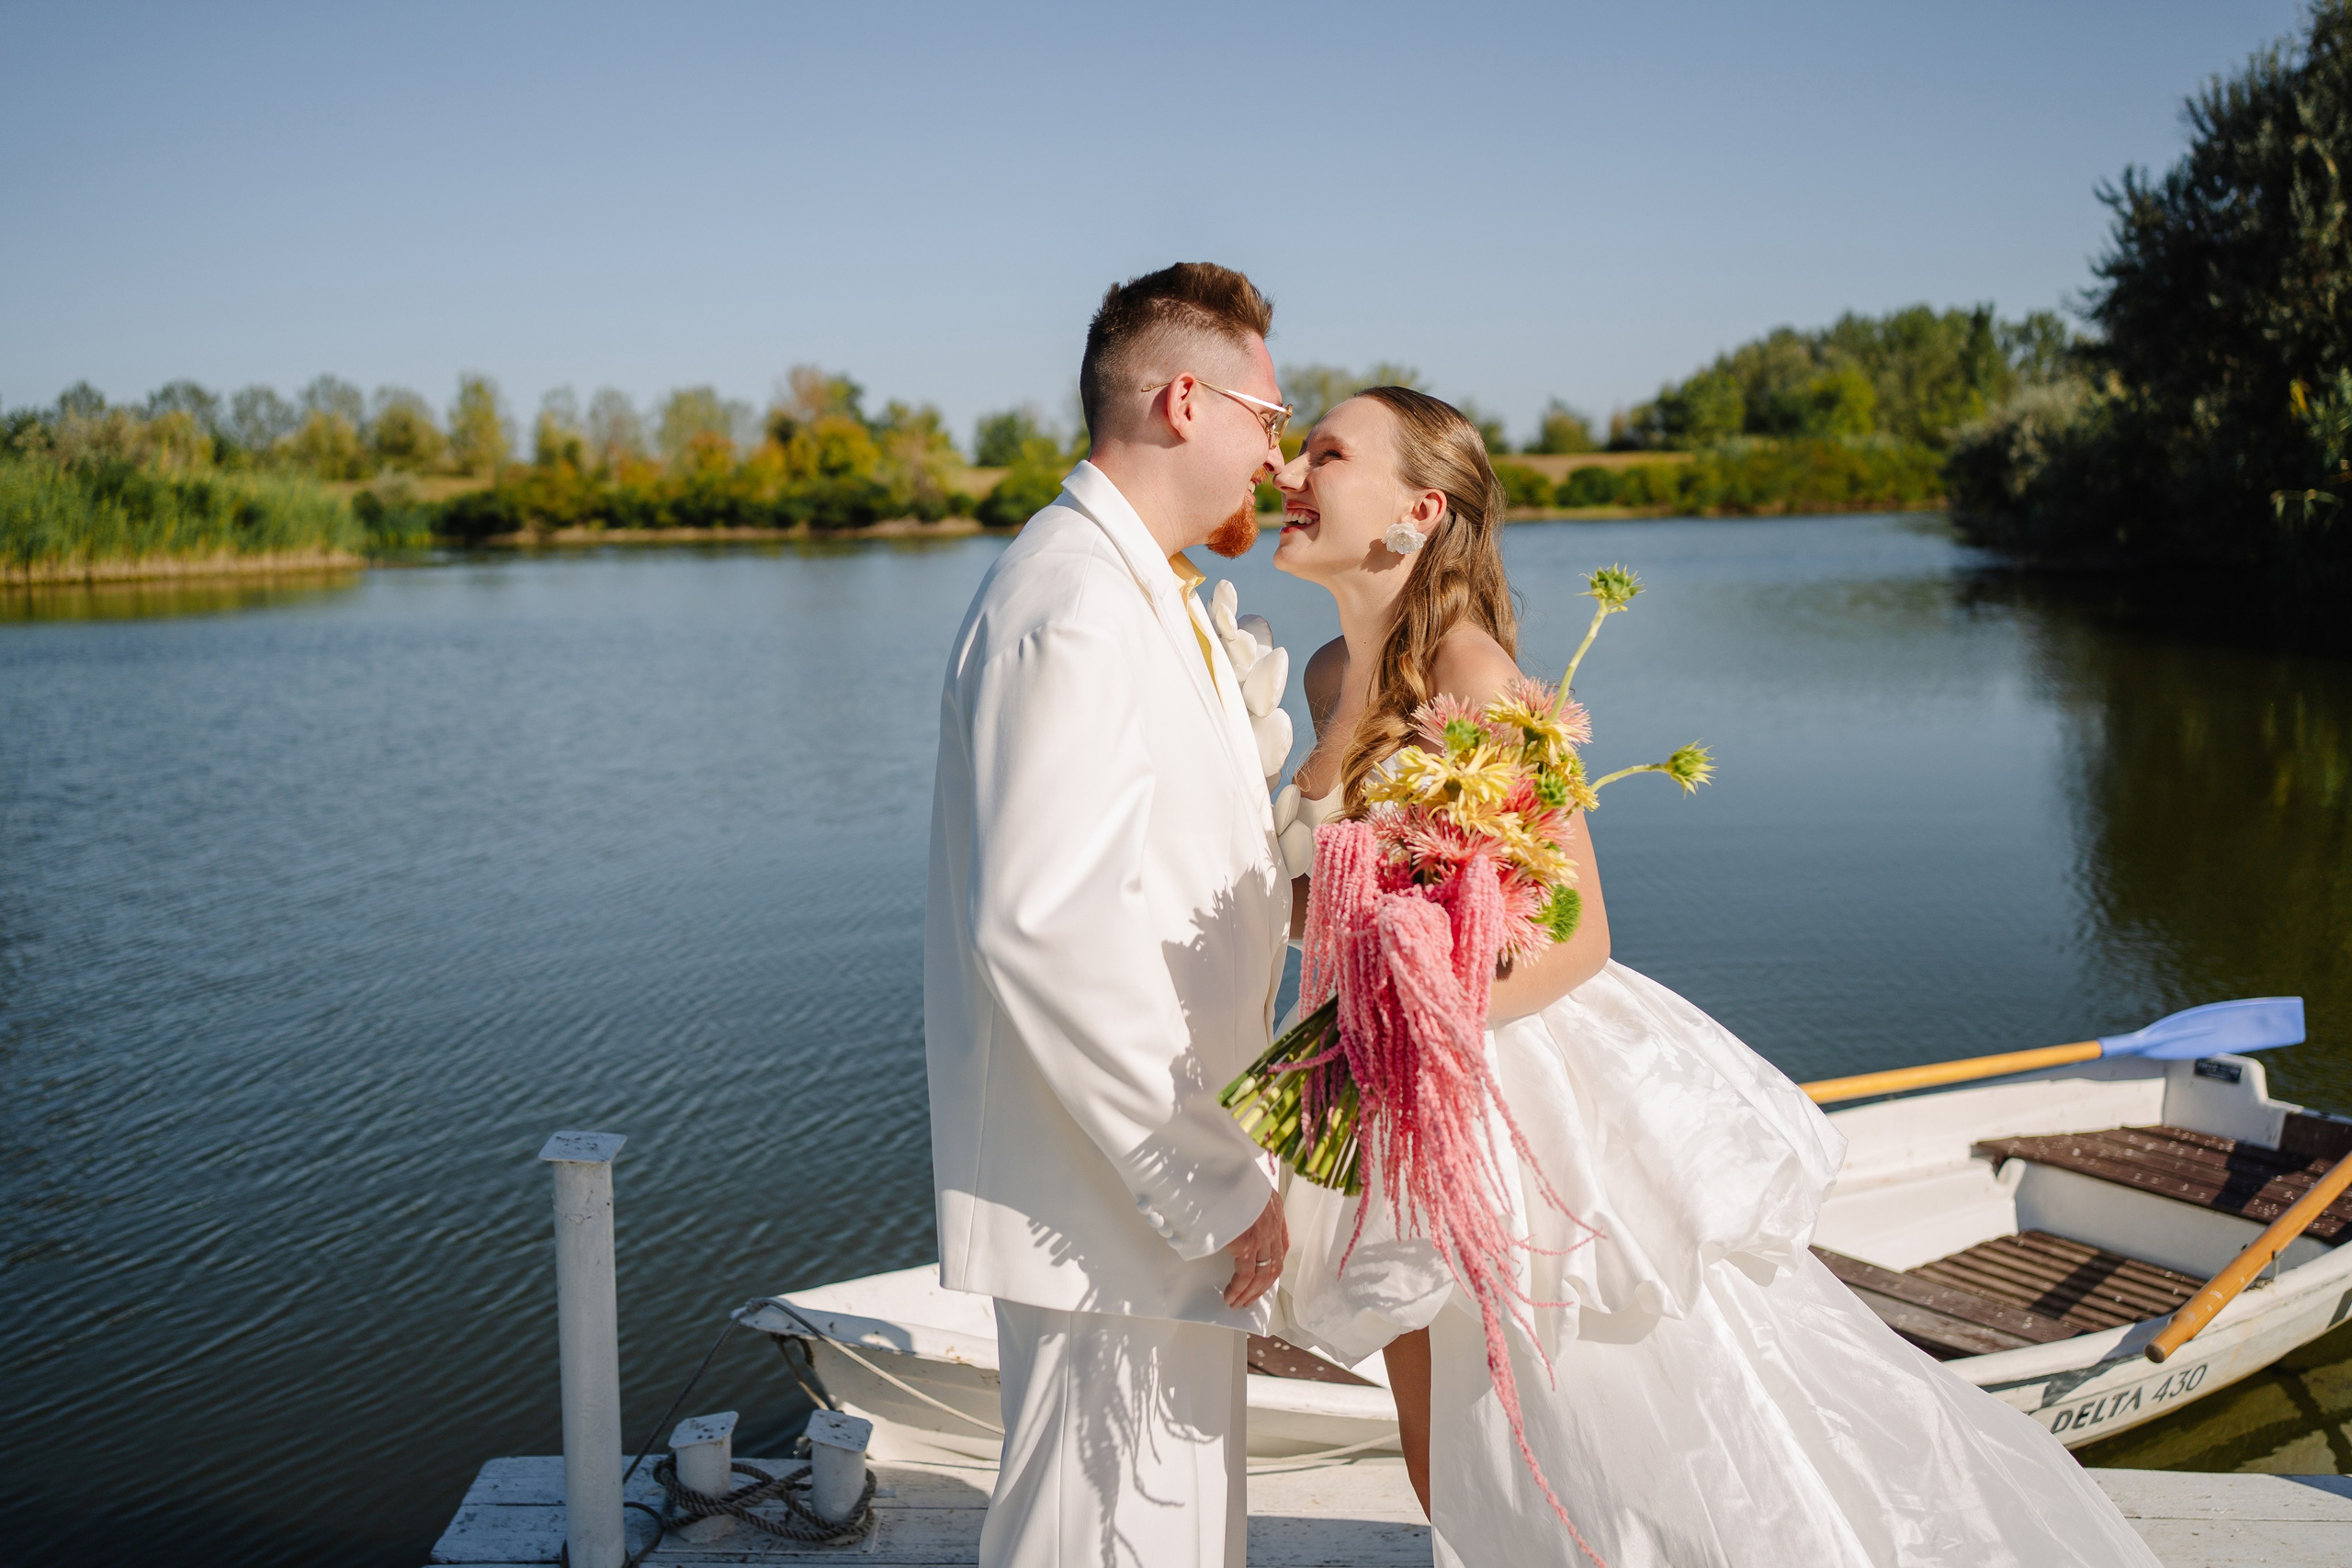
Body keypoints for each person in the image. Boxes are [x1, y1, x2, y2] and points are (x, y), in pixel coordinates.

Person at [1262, 385, 2164, 1568]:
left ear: (1415, 512)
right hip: (1385, 1088)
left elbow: (1574, 939)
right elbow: (1331, 900)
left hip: (1503, 1090)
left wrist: (1421, 1014)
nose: (1289, 472)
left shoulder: (1477, 679)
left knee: (1591, 1435)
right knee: (1440, 1448)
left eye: (1325, 453)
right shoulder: (1330, 674)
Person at [924, 262, 1297, 1568]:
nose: (1279, 450)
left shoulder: (1144, 593)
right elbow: (1045, 922)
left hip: (1144, 1195)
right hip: (1112, 1203)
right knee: (1105, 1536)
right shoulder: (1073, 603)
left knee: (1170, 1534)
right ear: (1186, 401)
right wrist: (1210, 1176)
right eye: (1270, 414)